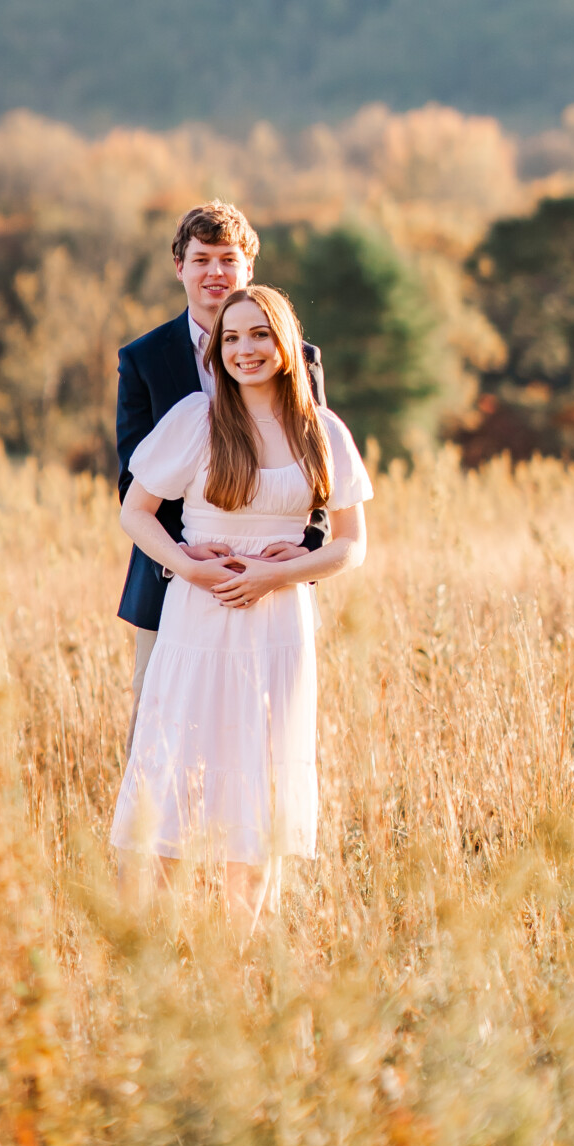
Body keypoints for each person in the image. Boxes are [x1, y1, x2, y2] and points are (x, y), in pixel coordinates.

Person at [110, 283, 371, 938]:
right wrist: (188, 564)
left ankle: (236, 953)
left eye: (258, 334)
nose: (244, 349)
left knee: (259, 780)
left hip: (278, 628)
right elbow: (134, 512)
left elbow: (349, 545)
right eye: (230, 338)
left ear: (284, 342)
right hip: (199, 618)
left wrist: (278, 573)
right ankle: (156, 946)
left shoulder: (320, 430)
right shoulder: (194, 420)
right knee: (175, 774)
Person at [116, 202, 325, 731]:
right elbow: (133, 483)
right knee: (160, 728)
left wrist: (301, 553)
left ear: (248, 268)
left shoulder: (299, 356)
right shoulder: (143, 359)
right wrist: (186, 559)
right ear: (179, 267)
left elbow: (321, 477)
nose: (215, 272)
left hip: (273, 585)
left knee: (266, 730)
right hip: (171, 578)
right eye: (201, 258)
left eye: (228, 259)